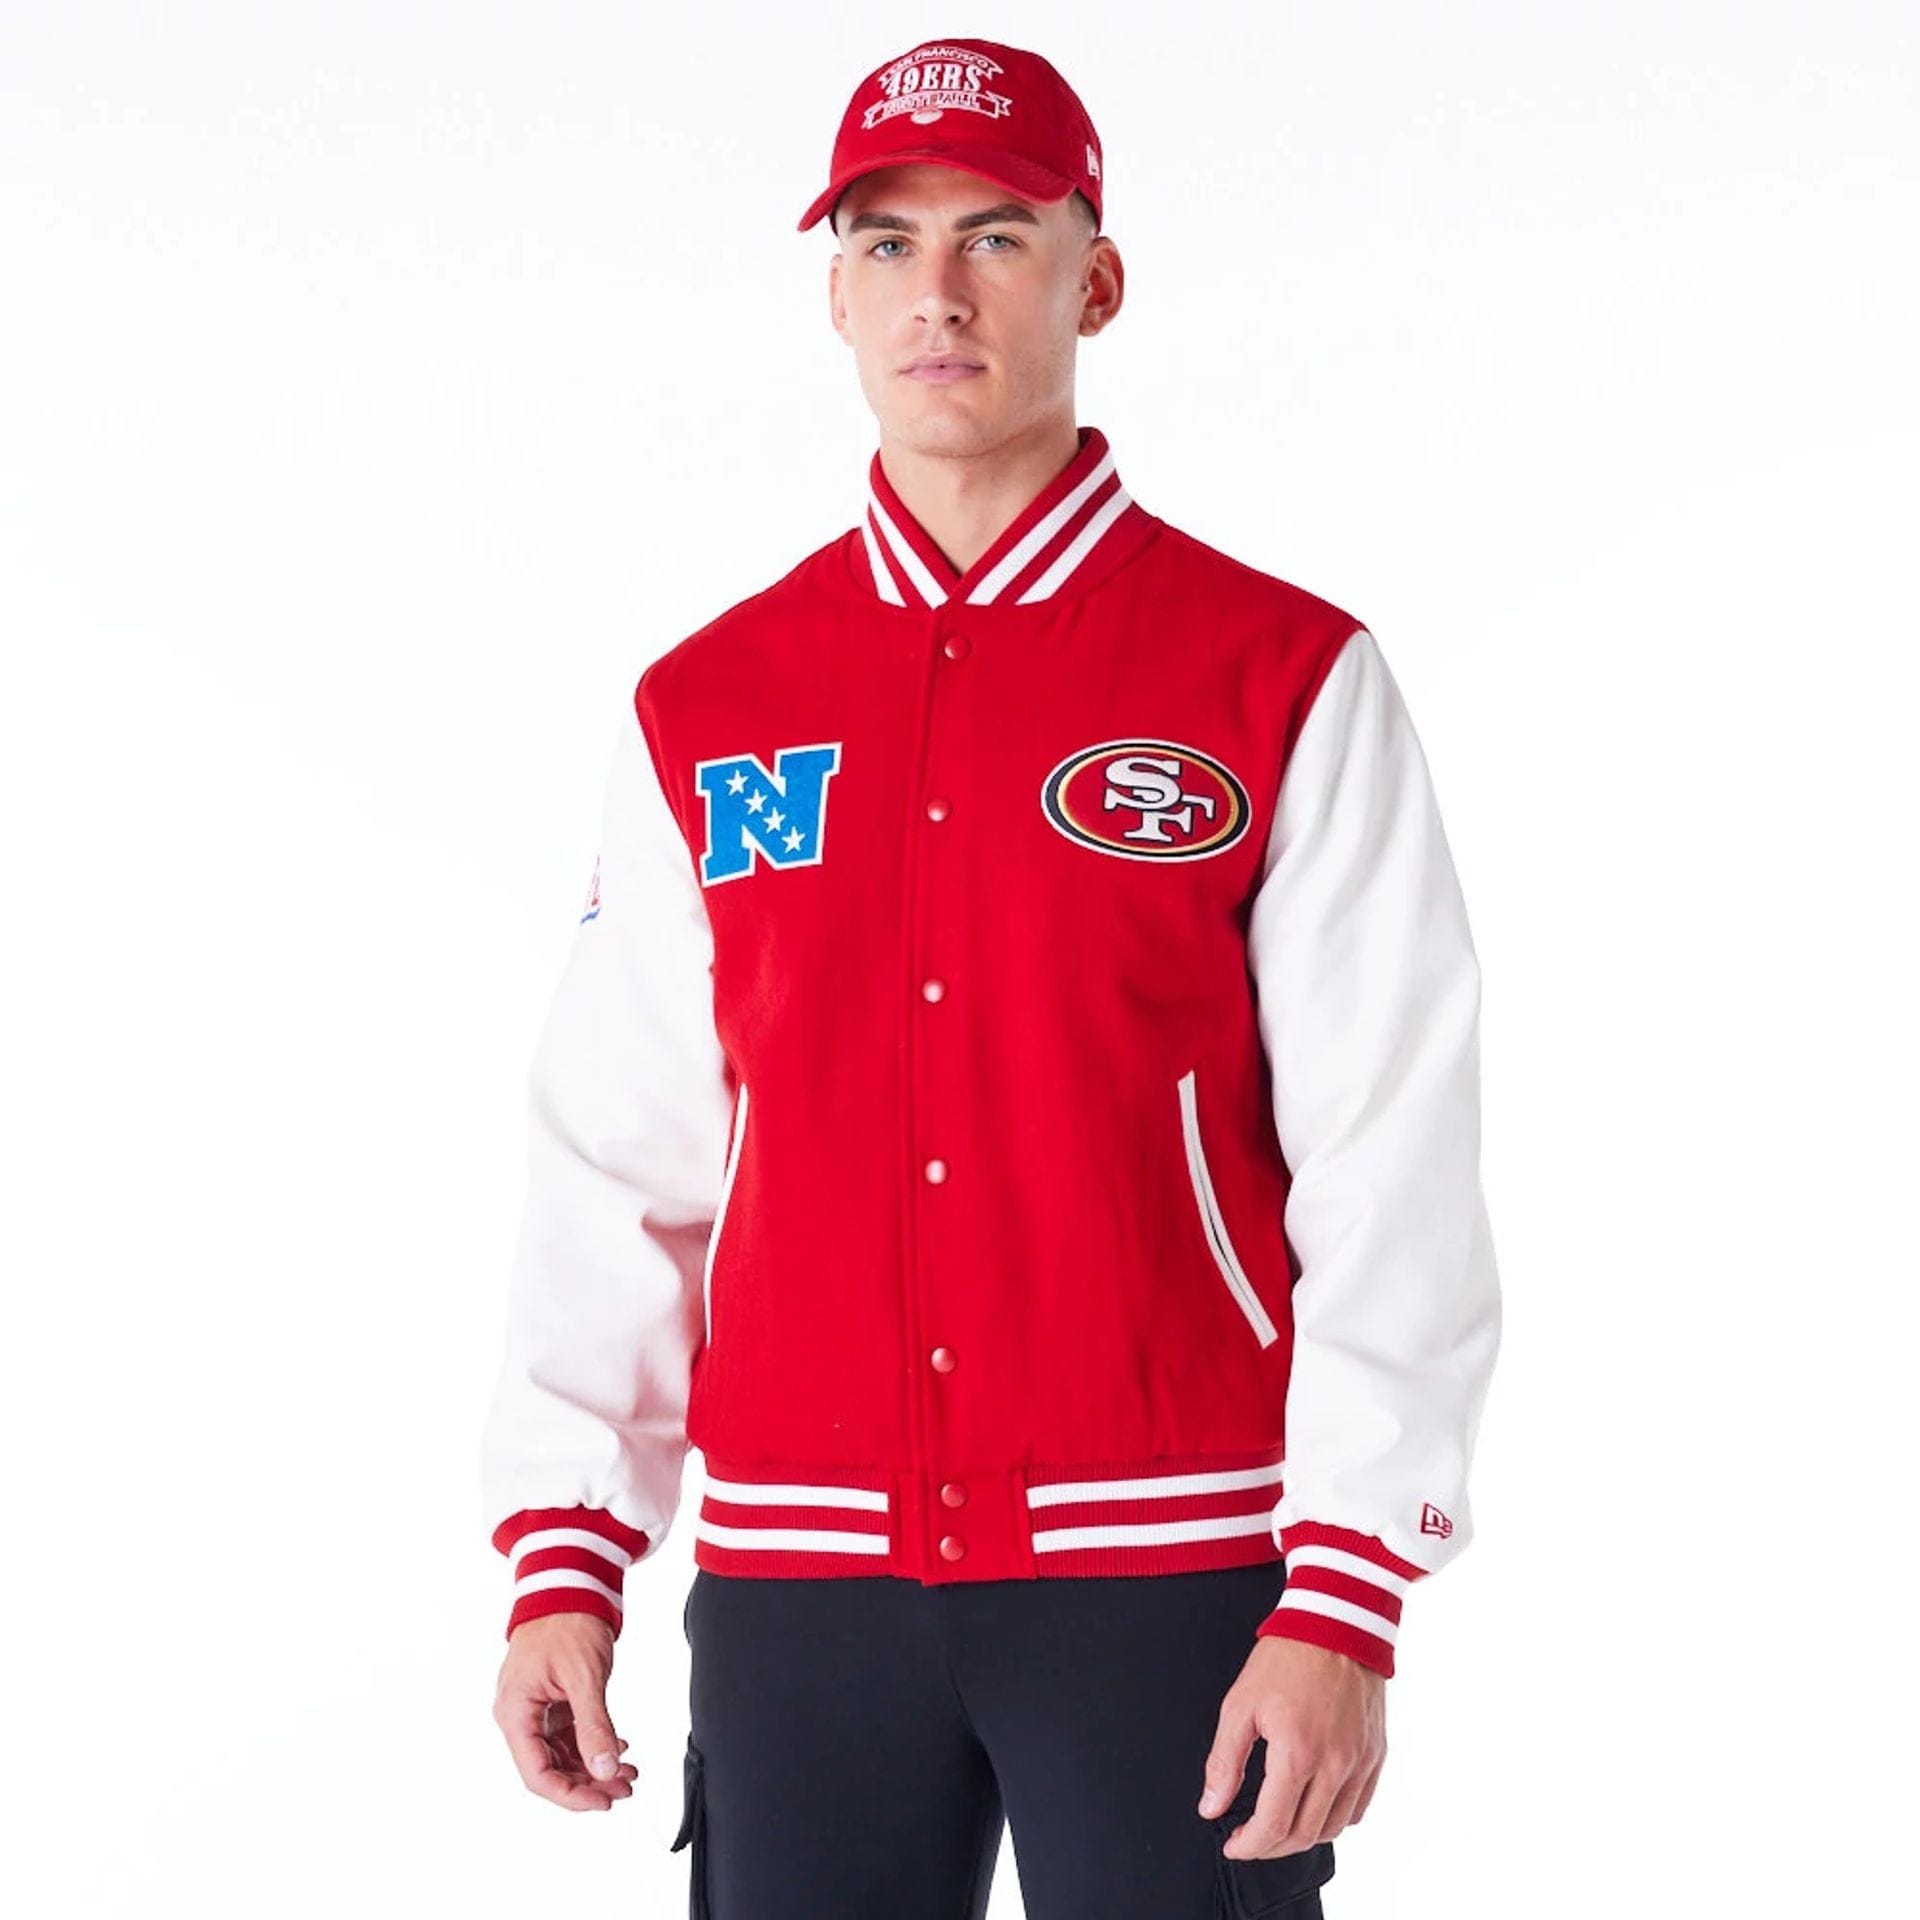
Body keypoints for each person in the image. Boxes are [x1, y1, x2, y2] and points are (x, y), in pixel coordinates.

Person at [478, 36, 1501, 1919]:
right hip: (800, 1586)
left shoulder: (1276, 677)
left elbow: (1392, 1154)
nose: (935, 292)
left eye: (997, 237)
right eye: (886, 243)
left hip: (1176, 1573)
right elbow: (621, 1155)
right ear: (836, 295)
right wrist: (568, 1552)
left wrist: (1348, 1585)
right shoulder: (709, 705)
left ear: (1095, 281)